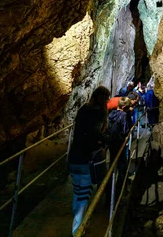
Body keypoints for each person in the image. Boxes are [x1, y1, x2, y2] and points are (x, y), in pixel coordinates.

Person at [67, 86, 110, 236]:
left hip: (73, 157)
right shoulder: (98, 112)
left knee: (77, 192)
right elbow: (95, 133)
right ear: (104, 99)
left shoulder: (84, 109)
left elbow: (81, 131)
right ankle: (77, 231)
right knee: (83, 199)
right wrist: (108, 139)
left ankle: (77, 225)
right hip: (86, 159)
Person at [108, 97, 131, 193]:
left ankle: (108, 189)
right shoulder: (123, 115)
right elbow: (125, 130)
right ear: (124, 106)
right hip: (119, 143)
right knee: (122, 166)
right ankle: (119, 189)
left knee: (112, 165)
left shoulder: (111, 114)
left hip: (111, 142)